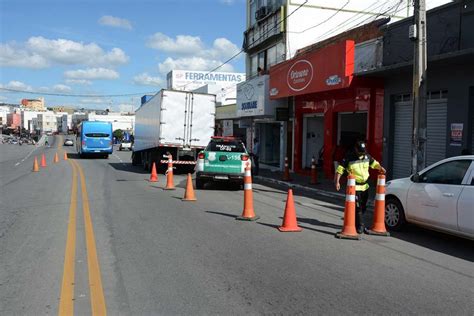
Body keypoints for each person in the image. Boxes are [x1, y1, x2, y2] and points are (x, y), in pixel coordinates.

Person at [335, 141, 386, 234]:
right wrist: (337, 181)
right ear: (356, 150)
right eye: (360, 152)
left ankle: (356, 223)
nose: (362, 154)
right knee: (358, 208)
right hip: (355, 187)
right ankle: (361, 226)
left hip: (365, 187)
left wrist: (380, 168)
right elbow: (340, 169)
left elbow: (374, 164)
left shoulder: (367, 156)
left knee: (363, 207)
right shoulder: (349, 157)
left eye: (363, 152)